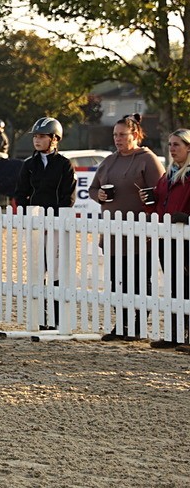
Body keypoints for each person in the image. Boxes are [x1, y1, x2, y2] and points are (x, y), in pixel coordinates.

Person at [87, 114, 164, 340]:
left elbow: (159, 192)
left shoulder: (147, 159)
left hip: (141, 235)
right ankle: (120, 325)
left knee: (139, 282)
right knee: (115, 281)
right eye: (115, 135)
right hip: (113, 233)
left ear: (135, 135)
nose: (118, 139)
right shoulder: (109, 160)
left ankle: (137, 326)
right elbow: (93, 189)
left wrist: (147, 198)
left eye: (122, 135)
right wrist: (98, 195)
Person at [13, 117, 76, 329]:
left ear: (54, 139)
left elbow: (68, 196)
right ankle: (40, 318)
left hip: (57, 224)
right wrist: (26, 219)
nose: (37, 140)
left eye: (42, 136)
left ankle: (57, 319)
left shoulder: (64, 164)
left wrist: (57, 219)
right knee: (38, 271)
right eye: (36, 137)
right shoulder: (29, 165)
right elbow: (21, 193)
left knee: (56, 272)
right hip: (36, 226)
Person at [143, 128, 190, 348]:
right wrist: (150, 199)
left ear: (188, 147)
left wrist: (188, 218)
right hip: (167, 237)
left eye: (177, 144)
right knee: (173, 285)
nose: (172, 149)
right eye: (170, 144)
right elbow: (160, 204)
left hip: (186, 238)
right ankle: (175, 333)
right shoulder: (168, 175)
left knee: (187, 285)